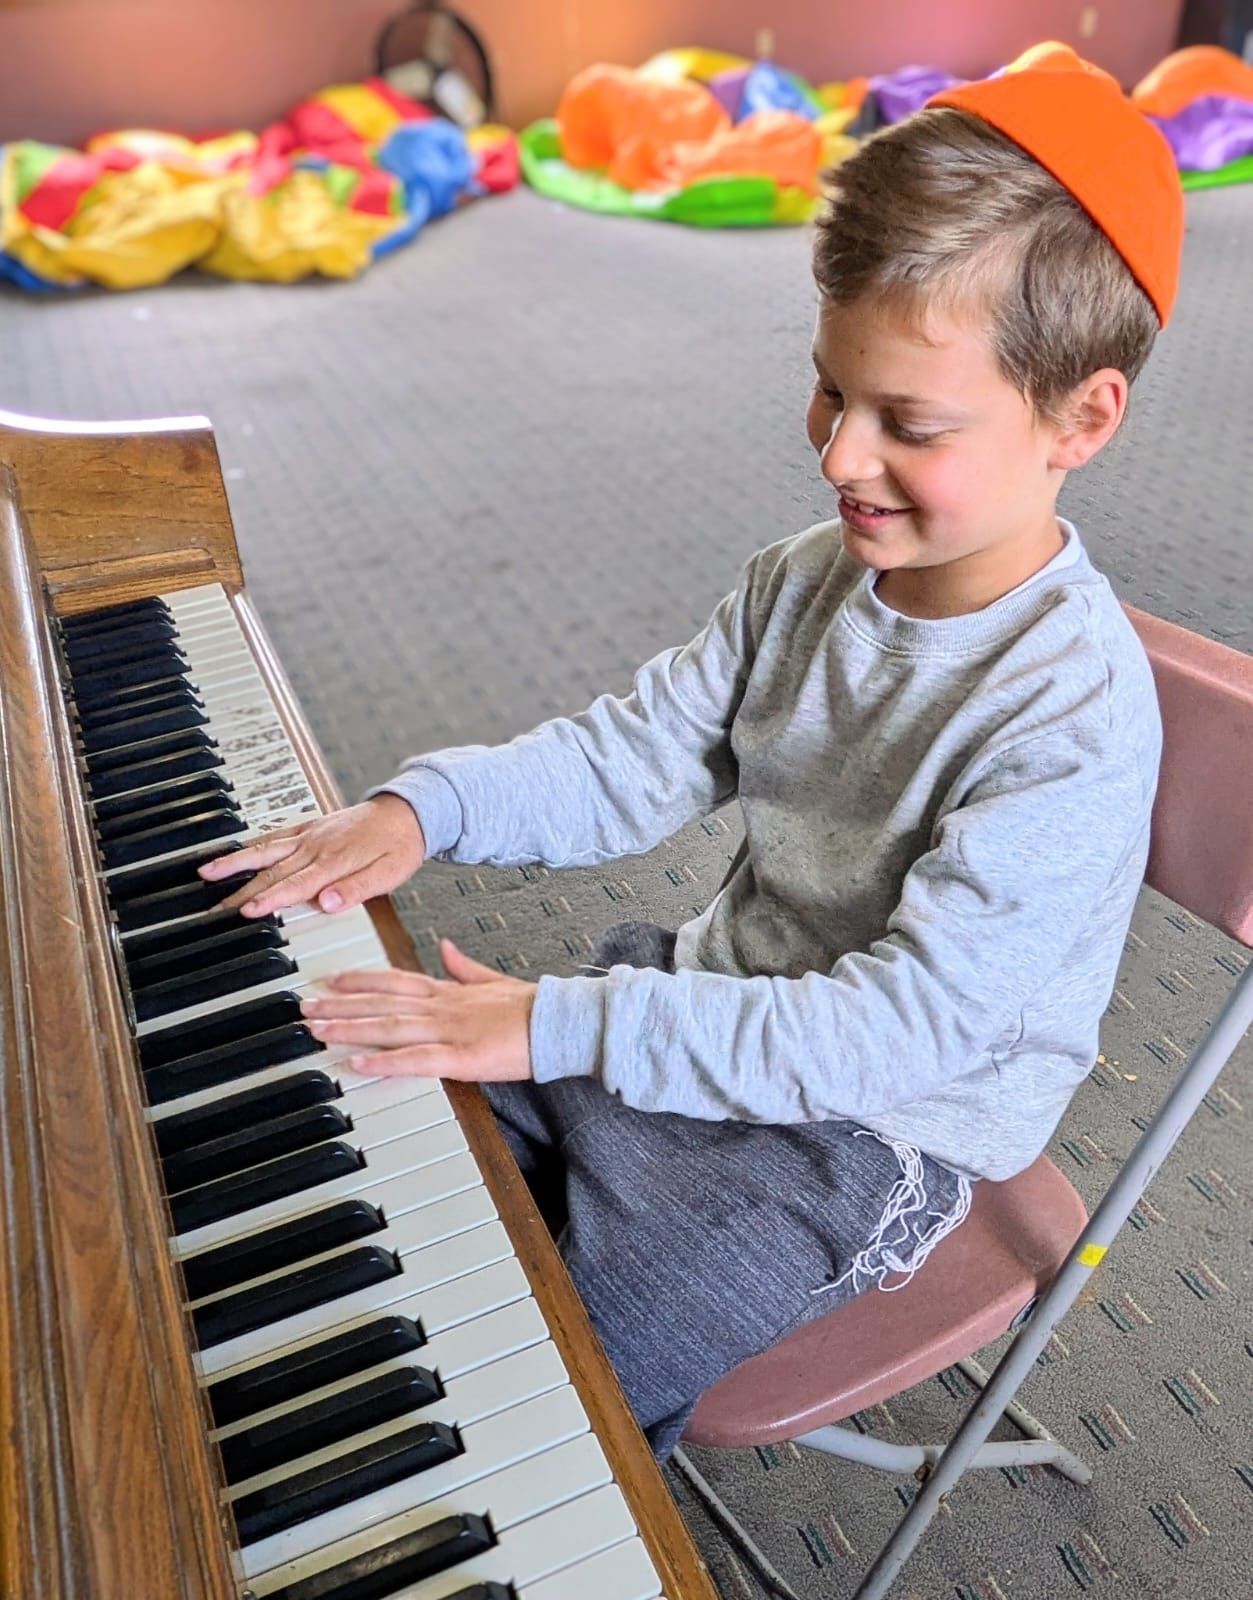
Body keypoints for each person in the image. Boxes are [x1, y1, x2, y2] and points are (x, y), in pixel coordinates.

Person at [199, 53, 1184, 1458]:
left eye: (908, 423)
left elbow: (887, 1035)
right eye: (828, 389)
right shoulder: (808, 578)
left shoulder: (1070, 724)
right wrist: (433, 806)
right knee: (368, 1125)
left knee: (534, 1407)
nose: (840, 455)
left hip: (861, 1131)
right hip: (707, 1000)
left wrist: (556, 1025)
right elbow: (634, 755)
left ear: (1080, 418)